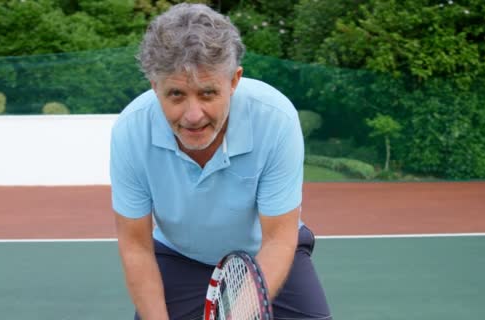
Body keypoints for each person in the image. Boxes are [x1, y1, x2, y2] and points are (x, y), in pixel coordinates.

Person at [110, 3, 331, 319]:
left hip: (266, 254)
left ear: (234, 81)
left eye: (208, 93)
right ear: (154, 87)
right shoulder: (131, 130)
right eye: (175, 94)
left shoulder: (276, 119)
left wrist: (237, 315)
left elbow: (279, 239)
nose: (193, 114)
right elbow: (136, 247)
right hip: (178, 256)